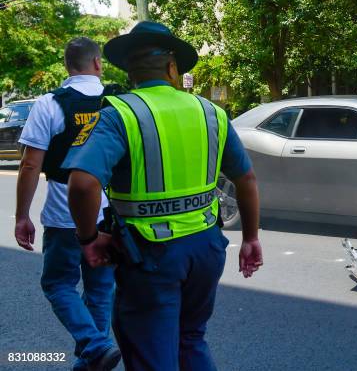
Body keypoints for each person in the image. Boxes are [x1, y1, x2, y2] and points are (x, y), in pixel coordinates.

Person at [62, 21, 263, 371]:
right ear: (172, 68)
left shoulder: (118, 115)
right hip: (206, 248)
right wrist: (251, 238)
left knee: (152, 353)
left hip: (150, 256)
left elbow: (82, 184)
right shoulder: (211, 112)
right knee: (191, 338)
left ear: (130, 71)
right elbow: (245, 178)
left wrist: (88, 238)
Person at [14, 37, 121, 371]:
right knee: (101, 289)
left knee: (58, 284)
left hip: (65, 212)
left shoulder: (50, 103)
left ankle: (93, 346)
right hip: (107, 209)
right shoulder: (117, 102)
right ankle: (94, 355)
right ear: (98, 64)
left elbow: (31, 164)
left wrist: (22, 216)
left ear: (66, 66)